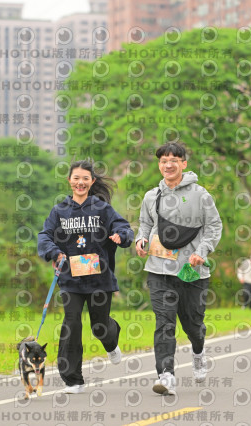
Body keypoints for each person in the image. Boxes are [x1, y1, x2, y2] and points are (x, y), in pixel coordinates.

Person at [37, 160, 134, 394]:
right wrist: (54, 251)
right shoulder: (59, 211)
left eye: (85, 179)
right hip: (71, 279)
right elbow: (44, 236)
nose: (80, 182)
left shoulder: (102, 209)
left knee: (100, 327)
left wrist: (121, 236)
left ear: (92, 182)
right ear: (69, 180)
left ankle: (111, 340)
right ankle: (73, 380)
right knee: (71, 324)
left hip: (100, 278)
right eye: (76, 178)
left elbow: (124, 228)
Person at [135, 142, 222, 396]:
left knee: (193, 324)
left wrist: (201, 252)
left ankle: (198, 351)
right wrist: (141, 240)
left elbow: (214, 226)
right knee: (164, 322)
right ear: (159, 165)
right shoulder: (152, 196)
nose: (168, 165)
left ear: (184, 163)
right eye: (163, 160)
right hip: (159, 269)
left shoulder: (201, 195)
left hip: (191, 271)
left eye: (174, 160)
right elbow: (144, 224)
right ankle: (166, 375)